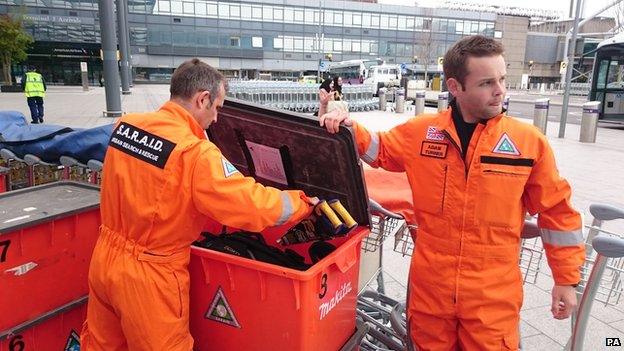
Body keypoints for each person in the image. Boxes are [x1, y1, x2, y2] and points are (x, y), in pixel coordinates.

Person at [320, 35, 584, 350]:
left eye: (502, 79)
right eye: (487, 82)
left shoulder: (527, 143)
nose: (500, 90)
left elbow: (558, 213)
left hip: (492, 299)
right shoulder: (421, 133)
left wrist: (566, 280)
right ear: (455, 87)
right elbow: (380, 149)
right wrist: (347, 125)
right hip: (431, 293)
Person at [80, 58, 317, 350]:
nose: (217, 119)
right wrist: (300, 202)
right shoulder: (195, 153)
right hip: (151, 276)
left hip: (104, 260)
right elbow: (250, 205)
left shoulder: (127, 127)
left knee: (100, 346)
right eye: (217, 108)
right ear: (202, 99)